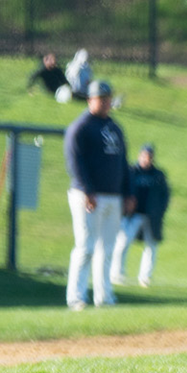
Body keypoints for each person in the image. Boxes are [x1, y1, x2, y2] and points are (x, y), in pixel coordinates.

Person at [64, 80, 129, 310]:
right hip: (88, 196)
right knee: (86, 246)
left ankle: (105, 296)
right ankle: (76, 297)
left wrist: (128, 192)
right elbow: (74, 162)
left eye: (108, 98)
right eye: (101, 98)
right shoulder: (81, 127)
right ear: (90, 100)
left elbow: (123, 162)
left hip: (112, 195)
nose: (105, 102)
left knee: (108, 249)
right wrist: (87, 190)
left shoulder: (114, 128)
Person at [112, 144, 169, 288]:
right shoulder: (131, 171)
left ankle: (145, 277)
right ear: (140, 156)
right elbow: (122, 189)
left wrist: (160, 211)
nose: (146, 159)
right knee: (122, 243)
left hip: (150, 216)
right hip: (132, 215)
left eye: (149, 157)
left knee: (151, 246)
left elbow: (165, 195)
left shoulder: (158, 175)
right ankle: (117, 274)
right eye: (144, 156)